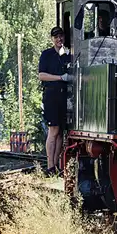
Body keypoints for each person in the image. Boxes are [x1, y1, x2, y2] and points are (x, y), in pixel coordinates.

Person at [38, 27, 71, 174]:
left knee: (61, 132)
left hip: (64, 96)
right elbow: (42, 75)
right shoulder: (46, 54)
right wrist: (60, 77)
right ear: (52, 39)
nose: (59, 39)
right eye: (56, 37)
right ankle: (50, 165)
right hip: (51, 94)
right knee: (54, 130)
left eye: (61, 36)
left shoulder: (67, 55)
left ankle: (57, 164)